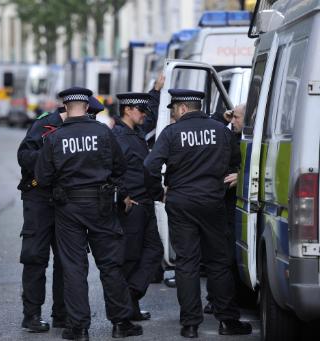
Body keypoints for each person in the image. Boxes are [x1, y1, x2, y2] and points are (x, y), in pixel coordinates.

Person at [35, 87, 142, 341]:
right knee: (110, 265)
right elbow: (120, 166)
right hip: (102, 205)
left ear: (65, 108)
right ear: (85, 107)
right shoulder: (103, 132)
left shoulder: (54, 138)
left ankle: (79, 327)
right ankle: (121, 323)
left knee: (73, 268)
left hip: (68, 208)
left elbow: (42, 176)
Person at [144, 89, 252, 338]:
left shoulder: (171, 133)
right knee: (218, 262)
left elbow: (150, 166)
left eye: (173, 109)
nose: (173, 114)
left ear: (182, 108)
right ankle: (227, 321)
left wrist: (159, 192)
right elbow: (236, 162)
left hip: (181, 202)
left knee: (186, 263)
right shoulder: (220, 132)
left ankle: (190, 325)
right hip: (212, 202)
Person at [112, 93, 164, 321]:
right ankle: (125, 305)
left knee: (153, 252)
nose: (144, 115)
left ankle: (130, 297)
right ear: (128, 110)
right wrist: (122, 196)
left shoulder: (135, 133)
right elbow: (113, 169)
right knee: (131, 258)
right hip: (132, 206)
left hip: (146, 203)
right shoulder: (119, 136)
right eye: (141, 111)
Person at [17, 106, 68, 332]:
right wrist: (51, 156)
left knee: (67, 261)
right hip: (39, 198)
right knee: (35, 257)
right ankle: (32, 315)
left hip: (66, 201)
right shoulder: (45, 124)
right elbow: (24, 156)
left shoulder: (83, 129)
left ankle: (62, 315)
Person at [204, 103, 245, 315]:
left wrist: (242, 176)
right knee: (221, 255)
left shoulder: (248, 140)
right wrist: (224, 117)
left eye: (237, 118)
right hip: (225, 204)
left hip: (238, 206)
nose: (233, 121)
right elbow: (211, 130)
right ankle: (216, 299)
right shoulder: (229, 133)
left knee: (227, 256)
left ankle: (231, 299)